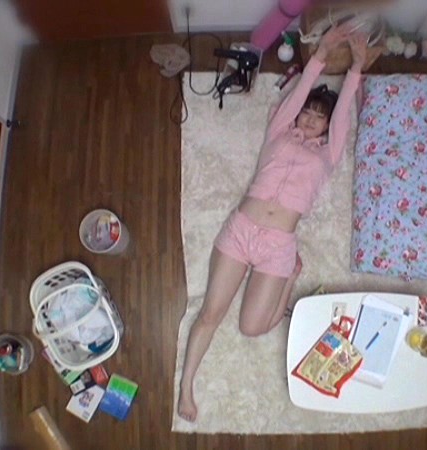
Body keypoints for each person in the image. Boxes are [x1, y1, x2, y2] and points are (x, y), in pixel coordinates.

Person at [177, 24, 369, 422]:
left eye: (319, 116)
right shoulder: (279, 132)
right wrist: (320, 55)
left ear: (327, 127)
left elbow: (343, 117)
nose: (310, 118)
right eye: (307, 112)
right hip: (241, 231)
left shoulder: (328, 154)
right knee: (210, 313)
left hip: (278, 245)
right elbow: (297, 96)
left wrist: (356, 69)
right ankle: (186, 388)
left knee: (251, 327)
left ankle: (289, 280)